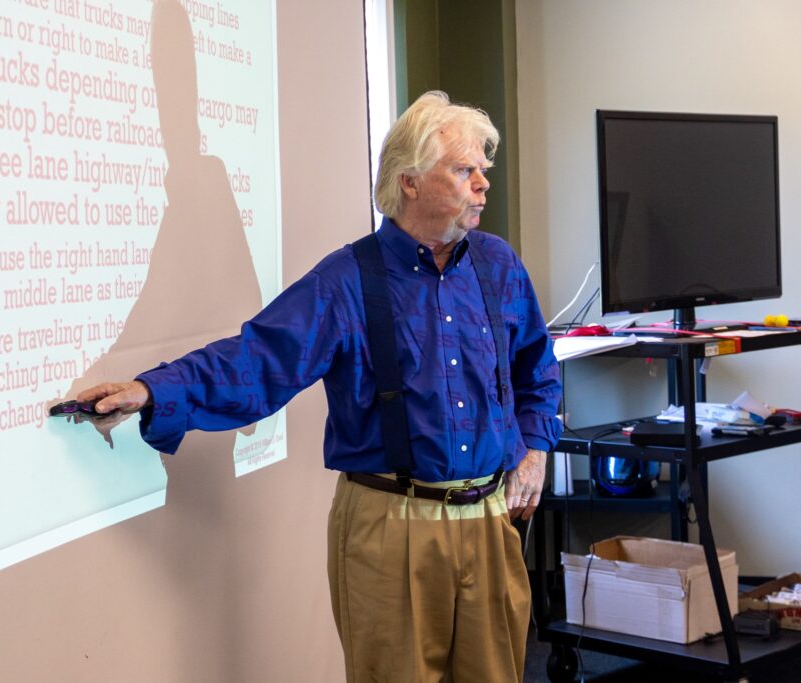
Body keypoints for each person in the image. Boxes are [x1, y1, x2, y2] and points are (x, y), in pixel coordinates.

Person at [76, 91, 562, 682]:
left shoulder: (498, 265)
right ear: (409, 181)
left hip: (489, 524)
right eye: (464, 170)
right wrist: (155, 391)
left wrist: (535, 450)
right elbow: (258, 360)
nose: (482, 184)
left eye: (483, 170)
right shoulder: (348, 280)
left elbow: (536, 370)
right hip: (392, 529)